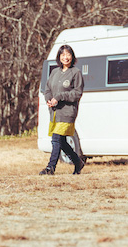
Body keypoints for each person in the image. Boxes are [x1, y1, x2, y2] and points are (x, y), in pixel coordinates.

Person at [40, 44, 85, 175]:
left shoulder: (76, 73)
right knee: (62, 142)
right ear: (59, 57)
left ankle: (50, 168)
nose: (66, 57)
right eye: (63, 55)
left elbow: (77, 93)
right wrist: (49, 99)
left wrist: (60, 97)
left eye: (68, 54)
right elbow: (47, 89)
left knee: (55, 139)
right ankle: (78, 162)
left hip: (67, 112)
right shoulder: (55, 72)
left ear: (72, 56)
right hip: (54, 112)